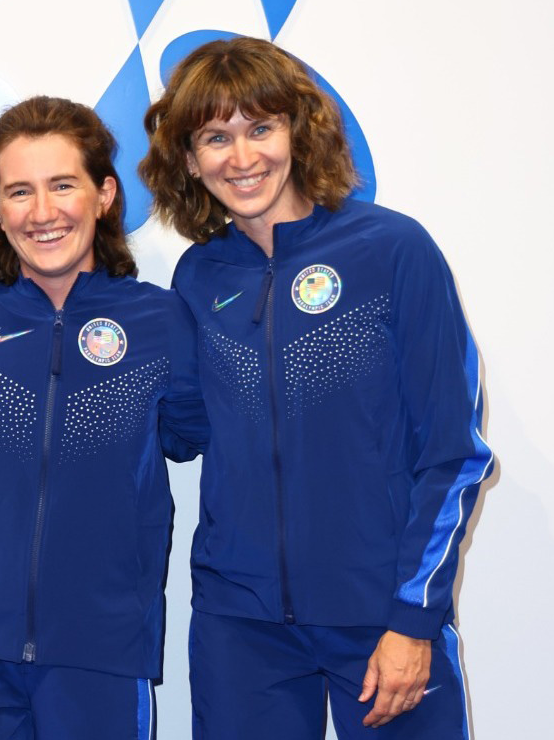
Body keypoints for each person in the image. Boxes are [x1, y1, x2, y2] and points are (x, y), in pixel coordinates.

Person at [139, 36, 494, 738]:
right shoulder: (198, 278)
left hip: (379, 614)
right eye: (215, 137)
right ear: (188, 159)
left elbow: (452, 452)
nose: (241, 159)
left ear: (298, 132)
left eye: (260, 129)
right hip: (241, 626)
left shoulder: (392, 250)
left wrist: (412, 617)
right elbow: (185, 430)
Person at [0, 96, 209, 739]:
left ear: (104, 194)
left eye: (63, 185)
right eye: (18, 191)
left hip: (101, 652)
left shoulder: (161, 322)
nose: (42, 212)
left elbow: (191, 437)